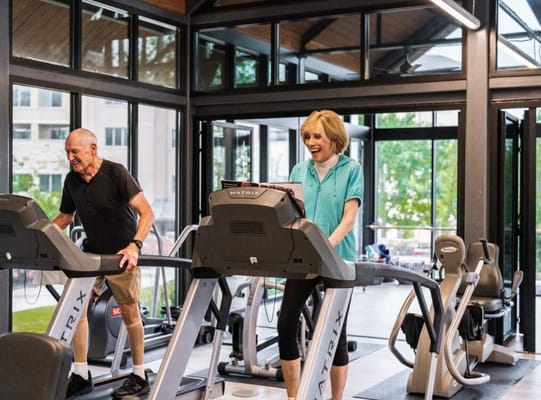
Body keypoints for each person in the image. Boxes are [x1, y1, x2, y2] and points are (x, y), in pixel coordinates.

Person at [52, 128, 154, 399]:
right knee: (78, 310)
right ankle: (82, 373)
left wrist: (135, 246)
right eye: (67, 152)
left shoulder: (116, 173)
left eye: (75, 151)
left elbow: (147, 213)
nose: (70, 157)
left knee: (130, 314)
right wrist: (41, 237)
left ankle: (140, 374)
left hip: (121, 255)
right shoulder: (72, 181)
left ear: (92, 149)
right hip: (91, 254)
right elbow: (64, 218)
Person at [277, 110, 363, 400]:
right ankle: (293, 396)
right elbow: (292, 214)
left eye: (317, 136)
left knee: (335, 333)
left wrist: (326, 249)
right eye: (307, 137)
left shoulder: (351, 169)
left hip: (338, 258)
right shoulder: (299, 171)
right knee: (286, 322)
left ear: (334, 138)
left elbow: (349, 218)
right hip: (302, 257)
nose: (311, 142)